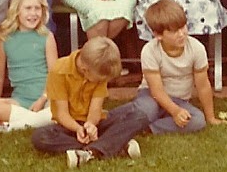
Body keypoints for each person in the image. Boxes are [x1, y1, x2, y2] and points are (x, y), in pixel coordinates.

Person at [30, 37, 148, 167]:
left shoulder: (99, 68)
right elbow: (62, 114)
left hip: (96, 124)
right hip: (69, 126)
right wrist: (78, 129)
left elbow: (95, 109)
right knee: (40, 136)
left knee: (138, 116)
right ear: (85, 70)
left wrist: (91, 125)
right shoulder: (59, 70)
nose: (102, 81)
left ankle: (90, 152)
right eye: (99, 79)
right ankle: (113, 145)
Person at [128, 0, 226, 133]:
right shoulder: (150, 51)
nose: (181, 34)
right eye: (174, 31)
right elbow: (156, 90)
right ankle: (130, 120)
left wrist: (210, 117)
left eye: (183, 27)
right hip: (151, 97)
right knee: (149, 109)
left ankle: (148, 128)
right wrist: (174, 111)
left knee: (198, 120)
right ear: (158, 35)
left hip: (180, 100)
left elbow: (203, 85)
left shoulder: (196, 48)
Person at [0, 0, 57, 131]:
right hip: (20, 100)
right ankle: (38, 120)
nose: (33, 13)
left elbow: (55, 75)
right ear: (16, 10)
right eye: (28, 8)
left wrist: (42, 98)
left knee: (57, 109)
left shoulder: (47, 37)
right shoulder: (4, 38)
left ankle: (12, 126)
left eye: (37, 8)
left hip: (46, 97)